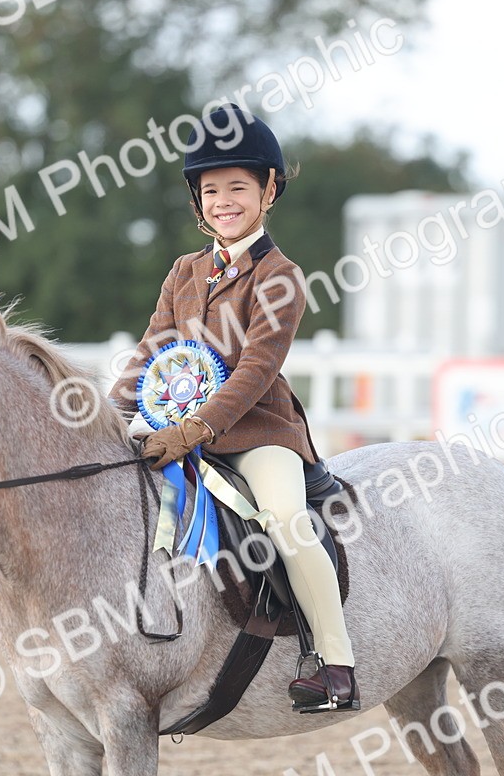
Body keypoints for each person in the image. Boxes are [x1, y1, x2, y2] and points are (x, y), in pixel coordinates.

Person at [108, 104, 358, 713]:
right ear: (198, 201)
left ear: (268, 190)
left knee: (287, 523)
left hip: (258, 431)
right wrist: (108, 413)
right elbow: (153, 348)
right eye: (211, 190)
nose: (224, 200)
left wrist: (197, 427)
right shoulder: (183, 271)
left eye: (238, 187)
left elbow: (255, 370)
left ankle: (336, 664)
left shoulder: (280, 277)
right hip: (177, 430)